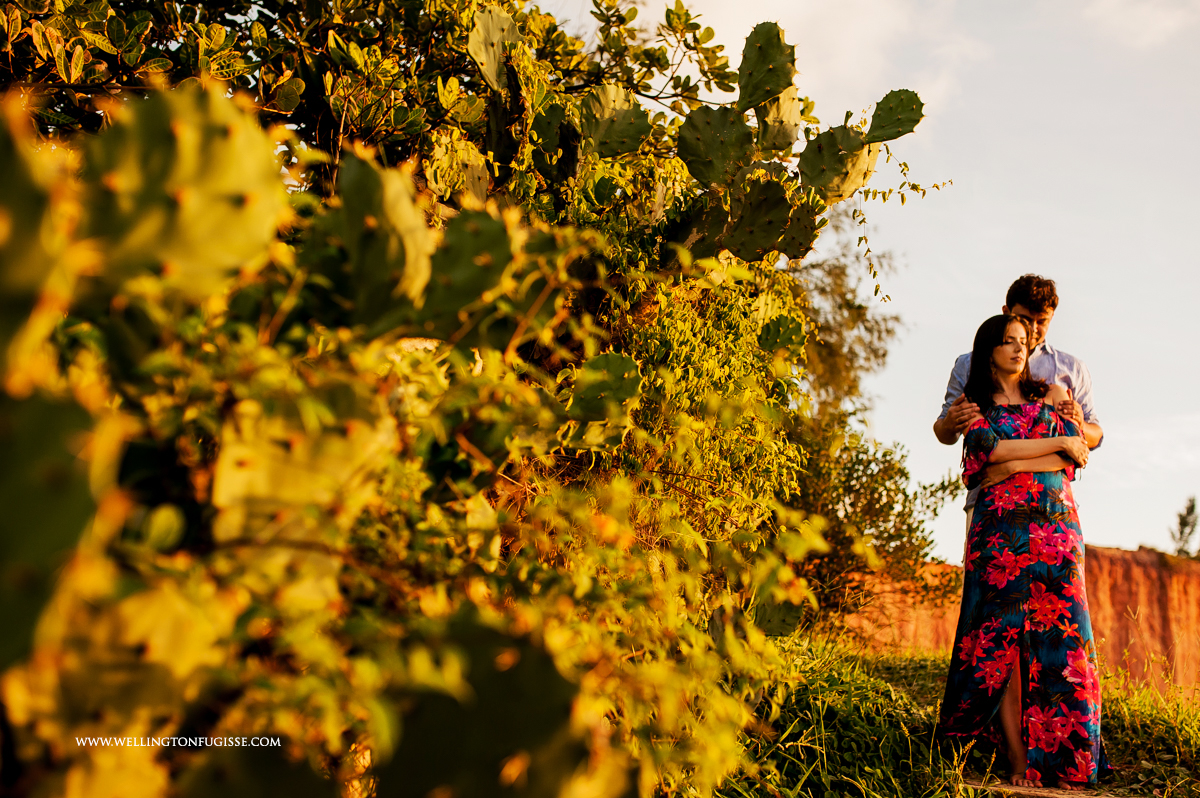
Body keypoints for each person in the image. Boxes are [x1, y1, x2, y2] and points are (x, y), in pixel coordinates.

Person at [938, 314, 1109, 790]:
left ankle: (1067, 759)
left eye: (1023, 343)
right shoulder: (974, 406)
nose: (1019, 349)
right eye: (1008, 342)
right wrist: (1053, 443)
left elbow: (1074, 455)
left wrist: (1021, 454)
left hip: (1056, 527)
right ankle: (1017, 758)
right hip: (1000, 533)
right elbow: (984, 456)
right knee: (1003, 643)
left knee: (1064, 638)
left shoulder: (1050, 394)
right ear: (987, 350)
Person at [933, 275, 1103, 531]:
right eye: (1025, 320)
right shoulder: (969, 365)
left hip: (1054, 505)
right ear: (1006, 312)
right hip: (990, 503)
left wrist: (1078, 422)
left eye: (1042, 322)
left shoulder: (1071, 370)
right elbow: (946, 434)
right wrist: (950, 423)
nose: (1034, 329)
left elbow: (1091, 439)